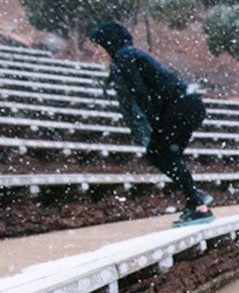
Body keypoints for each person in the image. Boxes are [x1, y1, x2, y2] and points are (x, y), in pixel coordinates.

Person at [89, 22, 213, 227]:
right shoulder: (128, 55)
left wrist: (153, 122)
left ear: (107, 43)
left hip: (179, 107)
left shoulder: (124, 57)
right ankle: (195, 198)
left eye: (98, 46)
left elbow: (140, 93)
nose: (97, 52)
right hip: (188, 105)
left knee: (159, 153)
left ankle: (199, 204)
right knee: (166, 156)